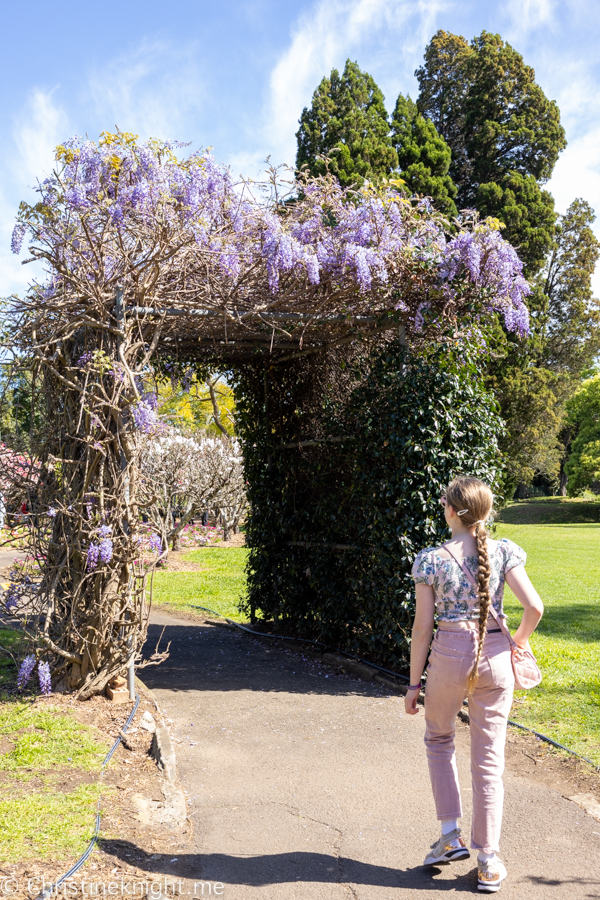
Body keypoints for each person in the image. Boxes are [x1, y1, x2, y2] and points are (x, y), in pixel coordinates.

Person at [405, 476, 543, 893]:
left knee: (439, 739)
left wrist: (414, 685)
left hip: (449, 654)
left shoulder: (432, 560)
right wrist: (513, 644)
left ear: (450, 510)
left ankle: (450, 837)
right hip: (496, 656)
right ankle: (488, 861)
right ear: (486, 512)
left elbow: (422, 629)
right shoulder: (504, 552)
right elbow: (534, 608)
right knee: (489, 759)